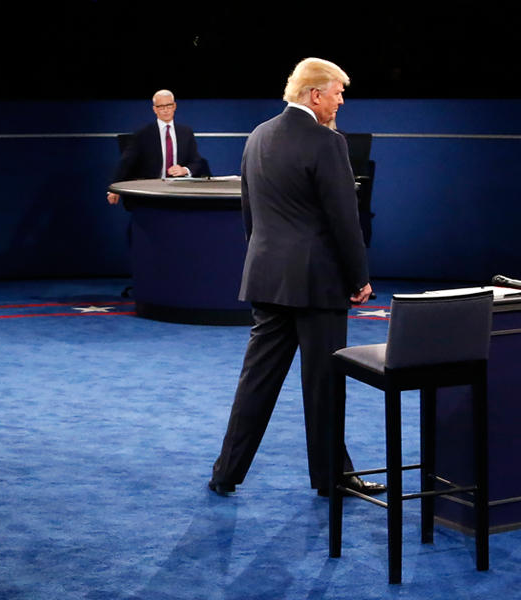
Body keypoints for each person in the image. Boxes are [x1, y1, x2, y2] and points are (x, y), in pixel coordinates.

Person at [208, 58, 385, 498]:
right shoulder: (328, 142)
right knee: (324, 386)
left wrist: (267, 261)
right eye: (338, 93)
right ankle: (330, 479)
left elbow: (250, 213)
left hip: (268, 278)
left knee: (256, 382)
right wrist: (358, 277)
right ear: (315, 94)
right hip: (317, 284)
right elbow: (344, 219)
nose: (341, 102)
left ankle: (225, 474)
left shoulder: (258, 135)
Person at [106, 89, 208, 205]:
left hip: (179, 189)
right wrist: (113, 189)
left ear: (174, 106)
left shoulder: (186, 132)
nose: (165, 110)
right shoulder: (143, 134)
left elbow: (196, 161)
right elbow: (126, 162)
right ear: (154, 109)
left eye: (169, 105)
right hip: (152, 191)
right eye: (161, 107)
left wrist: (184, 170)